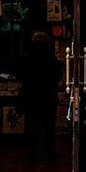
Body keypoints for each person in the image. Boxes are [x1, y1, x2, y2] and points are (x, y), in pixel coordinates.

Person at [21, 31, 59, 160]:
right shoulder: (51, 57)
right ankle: (48, 150)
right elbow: (58, 76)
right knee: (48, 124)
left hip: (32, 94)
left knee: (32, 123)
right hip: (48, 95)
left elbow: (23, 75)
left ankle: (32, 151)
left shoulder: (29, 57)